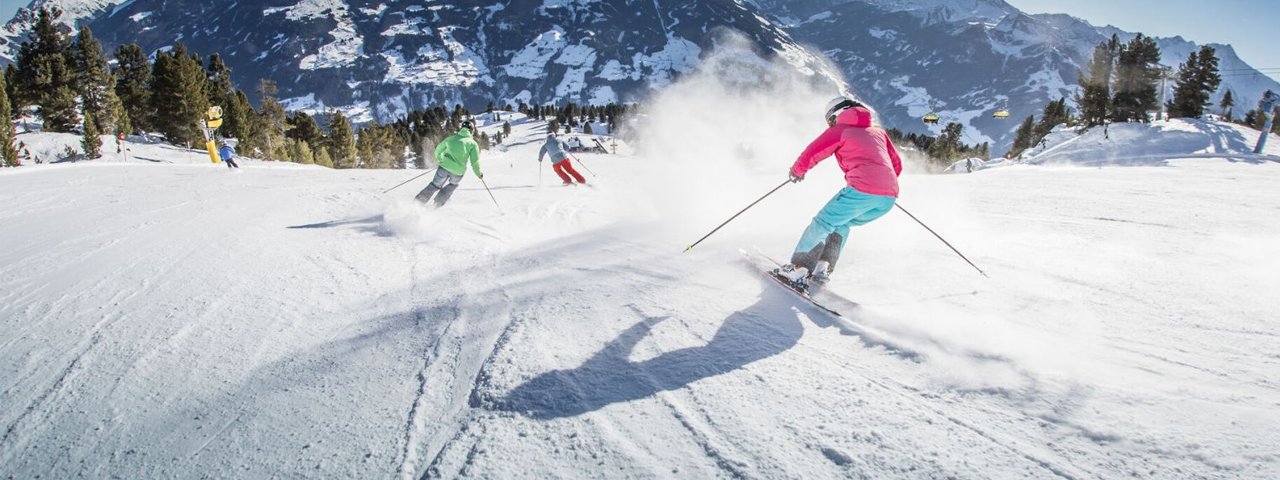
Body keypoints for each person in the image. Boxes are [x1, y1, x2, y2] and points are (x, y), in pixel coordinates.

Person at [775, 97, 902, 290]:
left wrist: (797, 171)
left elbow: (814, 151)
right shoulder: (879, 133)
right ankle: (821, 268)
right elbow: (896, 165)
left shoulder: (841, 130)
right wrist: (882, 185)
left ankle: (798, 269)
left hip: (864, 190)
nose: (830, 124)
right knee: (841, 223)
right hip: (888, 197)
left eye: (829, 120)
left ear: (836, 115)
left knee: (823, 223)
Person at [416, 120, 482, 207]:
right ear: (471, 130)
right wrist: (479, 174)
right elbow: (474, 162)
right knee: (452, 185)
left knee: (435, 185)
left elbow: (437, 151)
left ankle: (418, 203)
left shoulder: (451, 138)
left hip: (444, 167)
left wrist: (441, 160)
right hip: (458, 171)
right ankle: (437, 204)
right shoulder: (473, 144)